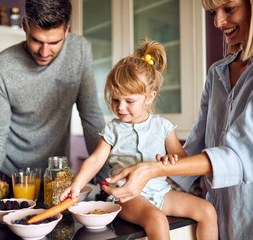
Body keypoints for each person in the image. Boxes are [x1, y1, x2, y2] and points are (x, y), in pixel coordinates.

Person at [102, 0, 253, 239]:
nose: (217, 22)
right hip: (219, 208)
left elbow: (240, 156)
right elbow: (194, 146)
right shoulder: (217, 73)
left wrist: (153, 169)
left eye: (229, 8)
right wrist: (156, 168)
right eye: (214, 12)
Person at [60, 39, 218, 240]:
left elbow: (181, 157)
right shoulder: (113, 129)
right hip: (128, 197)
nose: (120, 107)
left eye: (129, 101)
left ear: (149, 97)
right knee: (157, 219)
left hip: (162, 194)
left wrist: (172, 160)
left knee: (207, 210)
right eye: (115, 99)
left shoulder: (164, 127)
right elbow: (95, 160)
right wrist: (76, 184)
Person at [0, 0, 105, 196]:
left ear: (66, 31)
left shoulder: (79, 51)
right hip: (12, 178)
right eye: (37, 40)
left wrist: (105, 172)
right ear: (24, 25)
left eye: (54, 42)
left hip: (58, 176)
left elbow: (91, 117)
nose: (44, 52)